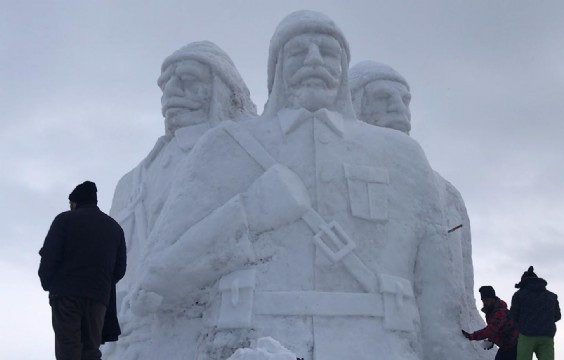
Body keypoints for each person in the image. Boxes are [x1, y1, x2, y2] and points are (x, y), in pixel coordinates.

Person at [119, 10, 486, 360]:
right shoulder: (226, 146)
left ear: (343, 66)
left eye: (328, 52)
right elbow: (155, 285)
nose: (314, 60)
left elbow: (439, 301)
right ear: (275, 67)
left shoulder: (402, 157)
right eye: (298, 51)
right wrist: (249, 213)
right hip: (251, 343)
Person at [108, 41, 257, 326]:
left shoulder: (242, 156)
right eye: (165, 84)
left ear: (219, 89)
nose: (172, 90)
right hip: (129, 335)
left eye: (188, 80)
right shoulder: (130, 182)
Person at [349, 60, 484, 333]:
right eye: (383, 97)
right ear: (354, 103)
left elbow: (463, 286)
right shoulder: (340, 175)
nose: (398, 106)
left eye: (404, 99)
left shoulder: (447, 192)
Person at [38, 181, 127, 360]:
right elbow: (119, 269)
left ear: (75, 202)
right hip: (98, 299)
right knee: (90, 350)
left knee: (68, 348)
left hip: (66, 295)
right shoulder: (115, 229)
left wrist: (49, 284)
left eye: (70, 203)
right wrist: (100, 284)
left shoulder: (64, 220)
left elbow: (49, 256)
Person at [510, 266, 561, 360]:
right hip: (547, 335)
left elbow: (513, 316)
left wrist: (522, 325)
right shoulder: (551, 296)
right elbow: (557, 316)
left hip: (526, 335)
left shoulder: (519, 295)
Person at [462, 286, 519, 360]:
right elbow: (498, 330)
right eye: (483, 300)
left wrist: (472, 336)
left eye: (487, 300)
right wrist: (491, 340)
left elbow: (491, 330)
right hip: (506, 346)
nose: (485, 303)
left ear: (493, 299)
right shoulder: (491, 312)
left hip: (514, 347)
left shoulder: (500, 312)